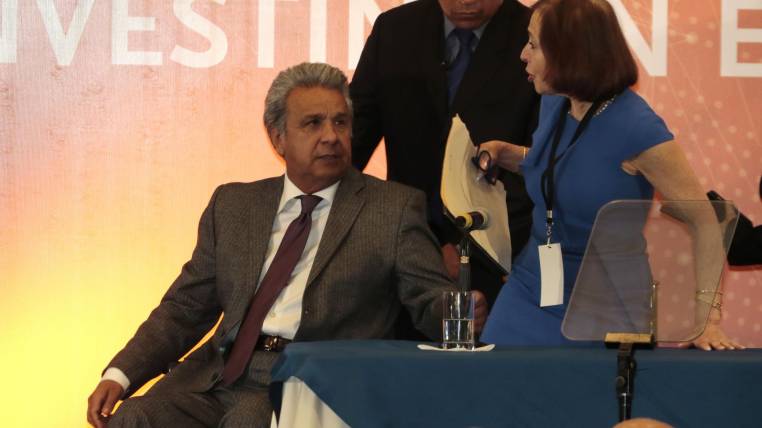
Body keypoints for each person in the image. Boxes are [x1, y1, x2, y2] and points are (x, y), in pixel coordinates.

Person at [86, 62, 487, 428]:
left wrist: (459, 311)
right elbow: (186, 307)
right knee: (135, 417)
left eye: (341, 122)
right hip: (216, 376)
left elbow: (428, 298)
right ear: (278, 138)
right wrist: (121, 374)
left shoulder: (393, 208)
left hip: (308, 383)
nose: (331, 136)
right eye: (313, 123)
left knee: (247, 421)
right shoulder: (234, 204)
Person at [479, 0, 742, 350]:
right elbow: (571, 170)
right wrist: (509, 153)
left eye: (534, 45)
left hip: (606, 302)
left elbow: (706, 221)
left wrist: (707, 321)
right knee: (493, 377)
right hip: (531, 287)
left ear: (570, 54)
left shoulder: (637, 128)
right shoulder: (556, 100)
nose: (523, 55)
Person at [350, 0, 540, 322]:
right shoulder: (394, 31)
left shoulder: (534, 34)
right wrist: (422, 244)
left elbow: (541, 166)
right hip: (407, 255)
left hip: (502, 259)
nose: (465, 1)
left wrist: (467, 248)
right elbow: (352, 143)